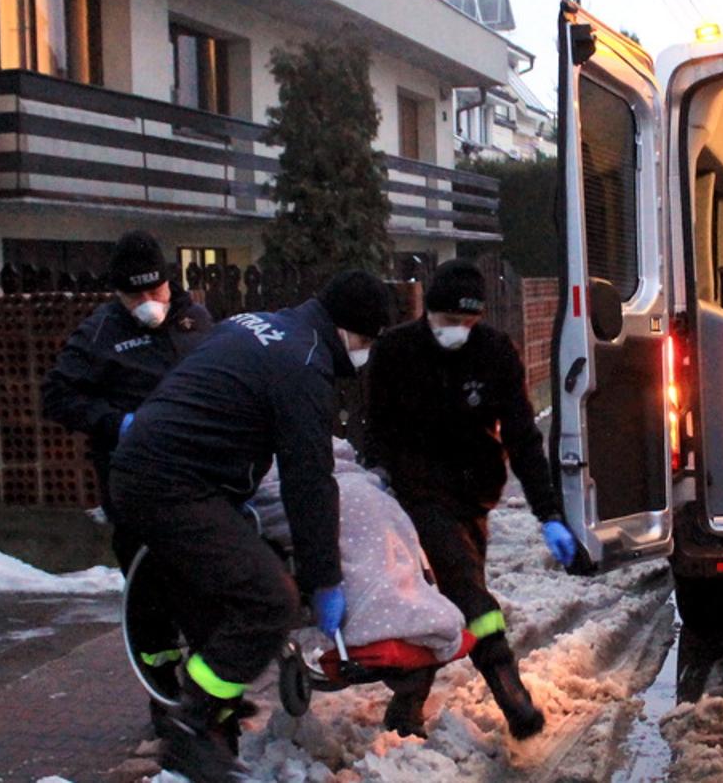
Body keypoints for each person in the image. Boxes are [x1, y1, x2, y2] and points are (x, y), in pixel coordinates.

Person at [105, 269, 392, 781]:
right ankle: (188, 727)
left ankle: (209, 714)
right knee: (269, 600)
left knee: (221, 605)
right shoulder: (304, 364)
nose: (364, 353)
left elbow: (211, 400)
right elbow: (309, 481)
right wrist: (323, 577)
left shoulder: (259, 324)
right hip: (170, 483)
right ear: (348, 330)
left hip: (154, 467)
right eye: (366, 341)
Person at [365, 258, 576, 741]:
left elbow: (522, 435)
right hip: (415, 491)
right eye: (448, 321)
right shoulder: (397, 351)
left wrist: (548, 513)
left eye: (467, 322)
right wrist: (378, 479)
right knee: (462, 586)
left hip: (473, 491)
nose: (457, 330)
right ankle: (510, 692)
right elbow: (375, 425)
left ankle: (409, 700)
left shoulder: (495, 352)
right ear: (428, 313)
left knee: (449, 597)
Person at [40, 230, 212, 720]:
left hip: (199, 478)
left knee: (205, 588)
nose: (147, 303)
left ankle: (211, 697)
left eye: (154, 291)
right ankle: (162, 697)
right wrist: (118, 423)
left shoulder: (195, 319)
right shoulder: (100, 334)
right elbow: (58, 396)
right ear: (117, 293)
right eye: (135, 295)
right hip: (134, 484)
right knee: (150, 597)